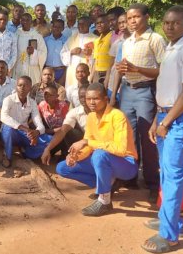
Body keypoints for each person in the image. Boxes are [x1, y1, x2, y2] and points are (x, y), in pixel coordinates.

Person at [141, 5, 183, 253]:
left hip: (181, 118)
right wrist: (159, 119)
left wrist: (166, 123)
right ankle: (170, 218)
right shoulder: (171, 48)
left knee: (174, 173)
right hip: (167, 115)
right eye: (166, 23)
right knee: (167, 172)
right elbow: (169, 92)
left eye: (175, 23)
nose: (169, 27)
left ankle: (169, 235)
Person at [56, 82, 138, 216]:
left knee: (99, 154)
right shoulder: (92, 117)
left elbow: (121, 149)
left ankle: (104, 201)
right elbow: (88, 146)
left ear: (106, 99)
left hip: (126, 164)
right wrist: (76, 156)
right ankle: (108, 184)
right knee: (63, 168)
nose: (91, 102)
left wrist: (87, 141)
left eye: (96, 98)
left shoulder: (117, 116)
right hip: (103, 160)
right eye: (88, 99)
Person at [118, 3, 166, 202]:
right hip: (127, 90)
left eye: (136, 17)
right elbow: (123, 67)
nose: (132, 21)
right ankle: (129, 177)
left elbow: (163, 70)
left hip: (146, 90)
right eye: (129, 18)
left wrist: (137, 69)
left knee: (148, 138)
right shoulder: (127, 42)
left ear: (147, 17)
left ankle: (153, 183)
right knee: (128, 136)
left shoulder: (155, 39)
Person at [0, 76, 51, 168]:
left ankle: (26, 153)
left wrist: (36, 132)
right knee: (8, 128)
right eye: (20, 85)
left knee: (50, 140)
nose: (22, 88)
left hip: (25, 133)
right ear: (16, 87)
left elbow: (39, 123)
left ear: (30, 88)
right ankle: (7, 156)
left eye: (26, 85)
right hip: (11, 133)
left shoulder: (32, 102)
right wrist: (24, 128)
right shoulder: (9, 99)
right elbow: (4, 117)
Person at [41, 85, 90, 164]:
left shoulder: (102, 112)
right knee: (61, 168)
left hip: (98, 143)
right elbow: (63, 130)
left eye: (87, 96)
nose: (84, 99)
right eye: (81, 97)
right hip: (82, 141)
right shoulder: (75, 112)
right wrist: (48, 149)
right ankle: (68, 154)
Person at [61, 16, 97, 88]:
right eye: (79, 24)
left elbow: (99, 56)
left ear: (89, 25)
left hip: (88, 70)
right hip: (73, 70)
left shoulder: (95, 39)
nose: (81, 26)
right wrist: (71, 52)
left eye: (84, 24)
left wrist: (91, 54)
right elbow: (62, 53)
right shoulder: (72, 38)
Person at [12, 13, 47, 85]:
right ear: (20, 21)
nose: (25, 22)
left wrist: (34, 52)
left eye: (27, 20)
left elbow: (44, 53)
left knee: (32, 88)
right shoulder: (16, 35)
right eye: (23, 20)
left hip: (32, 69)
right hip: (19, 67)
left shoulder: (37, 36)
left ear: (31, 22)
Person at [108, 13, 131, 105]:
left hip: (128, 87)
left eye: (125, 22)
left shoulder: (137, 42)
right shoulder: (117, 43)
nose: (122, 25)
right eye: (120, 23)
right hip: (113, 85)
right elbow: (111, 65)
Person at [91, 14, 113, 84]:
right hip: (97, 73)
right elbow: (95, 60)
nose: (99, 25)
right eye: (97, 23)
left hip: (108, 73)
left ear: (109, 23)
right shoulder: (96, 41)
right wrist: (91, 77)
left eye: (101, 22)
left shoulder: (113, 38)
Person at [44, 19, 67, 84]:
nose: (56, 29)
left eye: (59, 27)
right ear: (52, 27)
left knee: (59, 91)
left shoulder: (67, 40)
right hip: (48, 71)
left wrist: (64, 74)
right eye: (55, 26)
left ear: (63, 28)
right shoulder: (46, 40)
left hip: (61, 71)